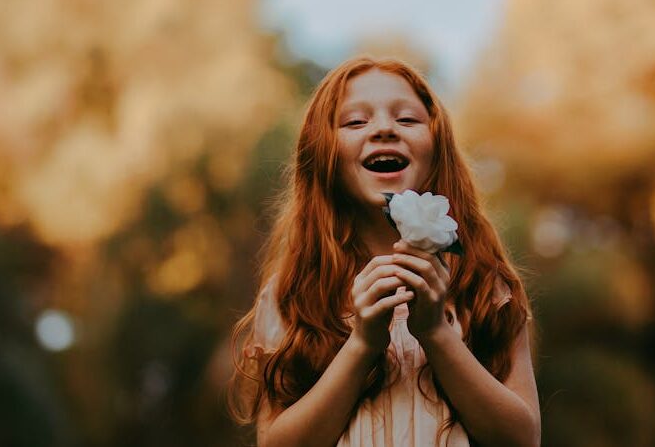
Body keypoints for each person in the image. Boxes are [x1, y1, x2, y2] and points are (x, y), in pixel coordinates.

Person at [229, 57, 540, 446]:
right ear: (323, 154)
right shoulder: (292, 295)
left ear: (437, 147)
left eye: (407, 119)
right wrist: (362, 344)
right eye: (355, 122)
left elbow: (523, 439)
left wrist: (436, 333)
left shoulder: (482, 285)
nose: (384, 129)